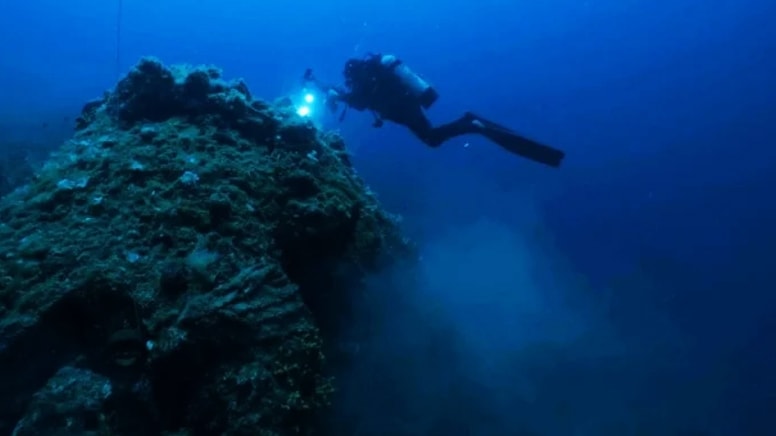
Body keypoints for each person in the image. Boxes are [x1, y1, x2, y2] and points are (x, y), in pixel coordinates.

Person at [303, 53, 566, 168]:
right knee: (432, 138)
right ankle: (469, 123)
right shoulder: (372, 77)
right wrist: (319, 84)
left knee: (432, 139)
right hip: (407, 105)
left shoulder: (363, 84)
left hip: (405, 111)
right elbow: (351, 96)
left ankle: (471, 124)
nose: (348, 82)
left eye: (348, 78)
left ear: (352, 74)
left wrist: (332, 92)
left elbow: (357, 102)